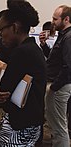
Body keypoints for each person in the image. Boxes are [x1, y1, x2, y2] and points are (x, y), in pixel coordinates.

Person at [0, 0, 47, 146]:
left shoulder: (21, 52)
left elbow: (4, 89)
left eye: (1, 29)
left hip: (21, 124)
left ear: (15, 27)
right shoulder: (34, 49)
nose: (0, 35)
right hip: (33, 121)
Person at [45, 5, 71, 147]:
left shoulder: (68, 37)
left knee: (59, 128)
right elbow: (55, 61)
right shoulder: (63, 35)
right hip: (58, 85)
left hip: (59, 87)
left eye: (55, 19)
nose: (52, 22)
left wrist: (54, 88)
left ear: (66, 19)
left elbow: (68, 66)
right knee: (57, 127)